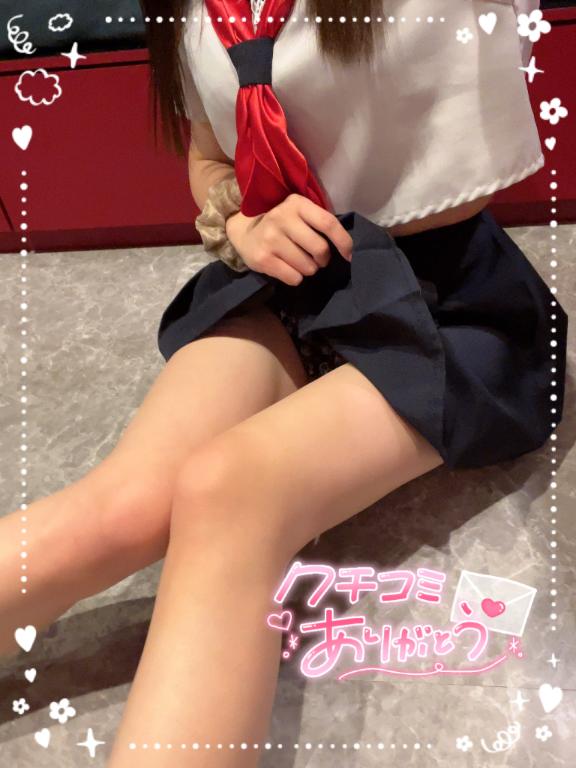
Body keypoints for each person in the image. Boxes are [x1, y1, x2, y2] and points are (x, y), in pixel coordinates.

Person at [1, 2, 568, 766]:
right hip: (289, 282)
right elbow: (210, 156)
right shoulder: (195, 10)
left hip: (443, 299)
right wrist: (242, 225)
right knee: (125, 504)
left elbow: (462, 158)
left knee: (230, 491)